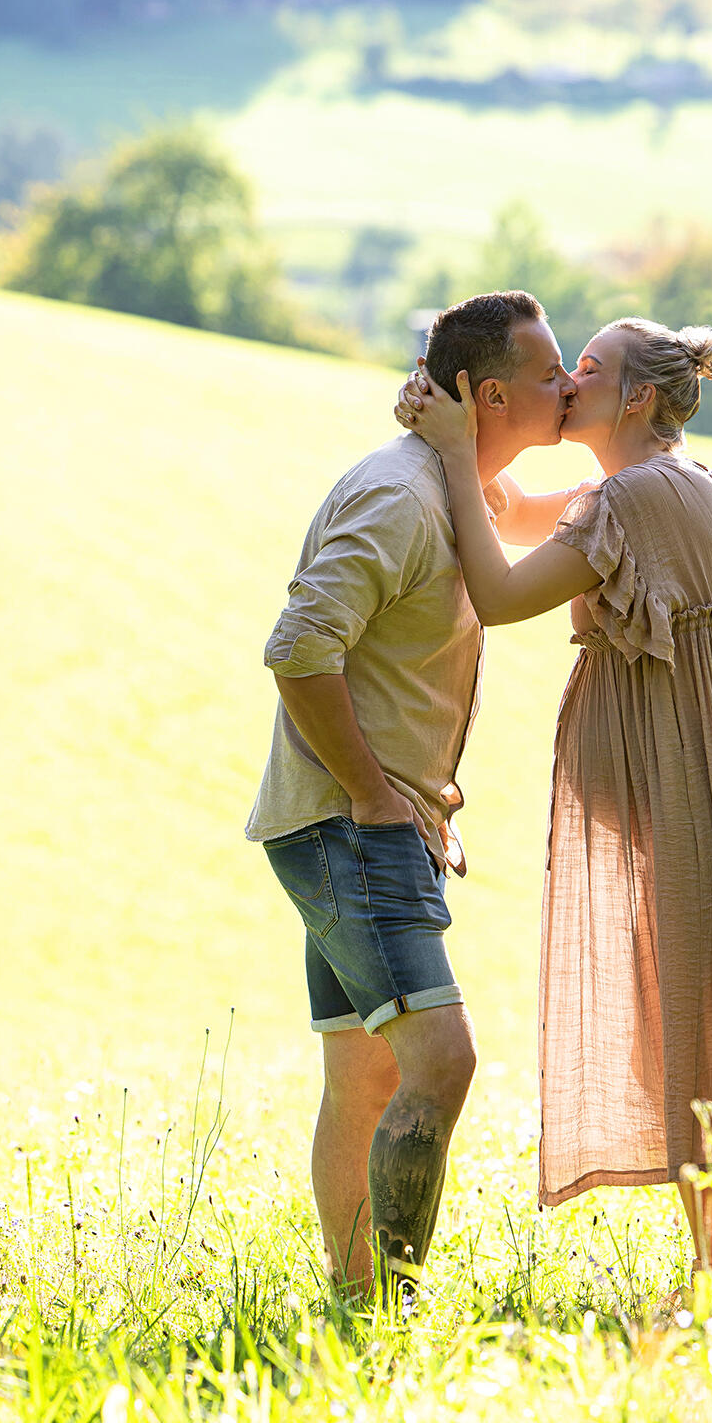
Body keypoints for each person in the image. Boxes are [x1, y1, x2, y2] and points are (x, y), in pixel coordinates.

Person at [396, 317, 712, 1292]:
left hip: (698, 805)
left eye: (585, 370)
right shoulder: (662, 481)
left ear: (634, 397)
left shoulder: (633, 499)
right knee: (705, 1038)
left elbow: (501, 588)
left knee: (708, 1046)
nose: (566, 379)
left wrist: (445, 451)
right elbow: (508, 509)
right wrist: (458, 429)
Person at [248, 290, 576, 1302]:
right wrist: (378, 800)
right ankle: (390, 1308)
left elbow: (547, 517)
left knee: (366, 1075)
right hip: (351, 826)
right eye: (548, 376)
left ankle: (355, 1302)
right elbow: (298, 649)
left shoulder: (451, 486)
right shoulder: (402, 497)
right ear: (486, 395)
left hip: (354, 822)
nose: (566, 389)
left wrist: (656, 469)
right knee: (441, 1062)